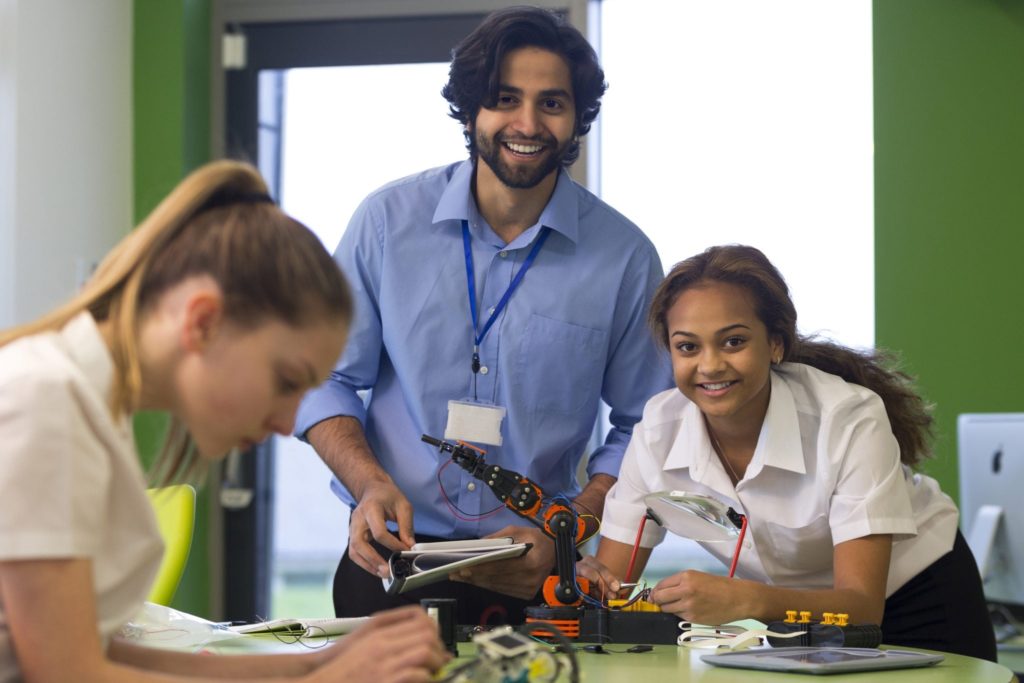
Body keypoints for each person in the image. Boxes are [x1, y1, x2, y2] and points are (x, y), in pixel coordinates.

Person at [0, 160, 448, 683]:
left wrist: (318, 661)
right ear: (204, 322)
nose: (287, 424)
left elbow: (100, 653)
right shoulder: (46, 400)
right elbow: (66, 673)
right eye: (286, 381)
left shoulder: (81, 404)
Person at [296, 6, 670, 626]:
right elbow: (322, 375)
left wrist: (571, 525)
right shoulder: (386, 223)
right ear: (471, 110)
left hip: (536, 573)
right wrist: (367, 483)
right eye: (505, 99)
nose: (527, 123)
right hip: (392, 559)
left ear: (578, 117)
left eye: (551, 103)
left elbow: (646, 424)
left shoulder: (626, 257)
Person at [577, 244, 997, 661]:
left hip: (913, 597)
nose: (709, 366)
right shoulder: (657, 429)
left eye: (733, 342)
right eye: (688, 347)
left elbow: (864, 607)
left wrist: (746, 601)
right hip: (786, 617)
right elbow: (614, 585)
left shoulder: (848, 419)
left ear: (776, 343)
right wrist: (593, 585)